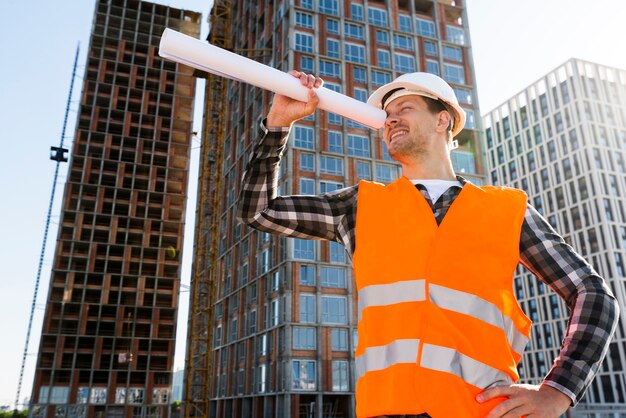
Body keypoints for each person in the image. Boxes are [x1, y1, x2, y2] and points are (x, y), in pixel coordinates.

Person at [237, 70, 619, 418]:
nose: (390, 119)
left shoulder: (508, 210)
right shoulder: (359, 206)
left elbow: (593, 294)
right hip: (386, 411)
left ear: (443, 121)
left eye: (405, 108)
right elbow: (259, 212)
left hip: (482, 412)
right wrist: (277, 126)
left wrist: (558, 390)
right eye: (387, 115)